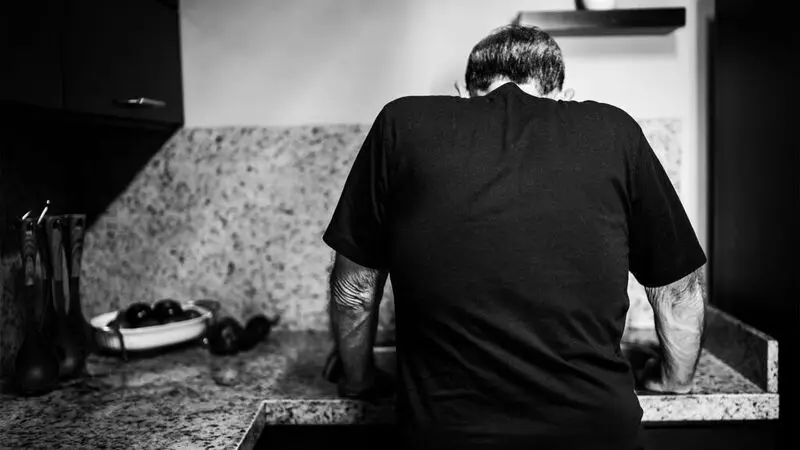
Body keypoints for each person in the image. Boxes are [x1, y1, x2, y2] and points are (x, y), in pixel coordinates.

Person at [322, 24, 707, 450]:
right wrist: (675, 380)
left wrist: (358, 382)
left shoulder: (402, 123)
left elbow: (354, 290)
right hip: (594, 434)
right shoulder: (613, 130)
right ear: (564, 95)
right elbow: (677, 292)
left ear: (463, 91)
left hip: (446, 436)